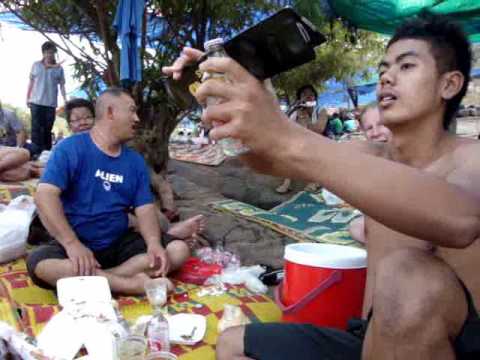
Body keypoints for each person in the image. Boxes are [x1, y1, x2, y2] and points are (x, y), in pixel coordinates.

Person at [164, 12, 480, 359]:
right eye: (382, 69)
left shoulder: (471, 157)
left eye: (406, 67)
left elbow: (462, 218)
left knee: (407, 276)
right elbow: (265, 159)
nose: (387, 77)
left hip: (449, 346)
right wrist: (222, 92)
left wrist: (287, 136)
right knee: (232, 344)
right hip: (370, 341)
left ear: (449, 84)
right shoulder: (365, 154)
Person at [27, 88, 192, 295]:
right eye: (132, 111)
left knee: (178, 251)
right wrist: (72, 244)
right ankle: (134, 284)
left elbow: (145, 209)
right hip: (76, 240)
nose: (137, 118)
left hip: (118, 241)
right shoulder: (70, 148)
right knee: (41, 265)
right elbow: (44, 196)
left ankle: (98, 279)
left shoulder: (135, 161)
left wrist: (153, 243)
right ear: (111, 112)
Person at [63, 97, 205, 243]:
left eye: (87, 117)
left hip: (123, 205)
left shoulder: (123, 153)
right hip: (92, 214)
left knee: (154, 218)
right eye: (77, 119)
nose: (83, 123)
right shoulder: (67, 151)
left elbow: (156, 187)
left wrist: (164, 209)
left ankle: (166, 235)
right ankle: (170, 236)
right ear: (69, 125)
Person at [348, 104, 392, 244]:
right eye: (369, 128)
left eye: (382, 125)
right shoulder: (371, 160)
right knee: (356, 227)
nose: (375, 133)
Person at [276, 85, 327, 193]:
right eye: (304, 94)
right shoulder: (296, 112)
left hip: (318, 142)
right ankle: (287, 182)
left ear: (315, 97)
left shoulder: (321, 110)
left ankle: (314, 181)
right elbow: (285, 126)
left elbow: (319, 129)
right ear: (300, 98)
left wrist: (304, 118)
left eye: (311, 94)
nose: (308, 96)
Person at [26, 41, 67, 157]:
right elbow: (31, 82)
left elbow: (62, 85)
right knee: (36, 128)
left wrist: (65, 99)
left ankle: (46, 153)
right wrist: (27, 98)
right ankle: (34, 153)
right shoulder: (35, 65)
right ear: (43, 53)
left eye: (52, 53)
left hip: (50, 103)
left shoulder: (59, 69)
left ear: (54, 53)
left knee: (47, 129)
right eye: (47, 53)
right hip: (35, 102)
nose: (49, 55)